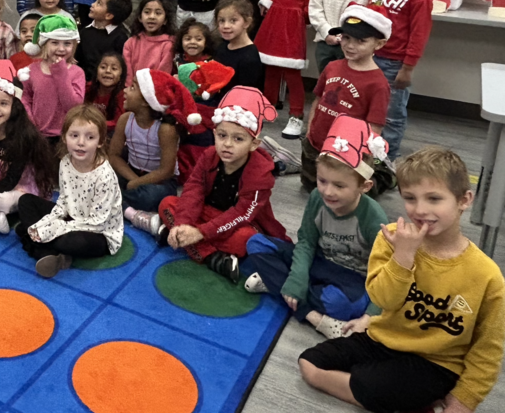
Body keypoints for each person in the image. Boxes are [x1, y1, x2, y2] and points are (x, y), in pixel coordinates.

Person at [299, 147, 505, 413]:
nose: (420, 210)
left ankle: (395, 392)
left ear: (464, 200)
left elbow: (488, 348)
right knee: (309, 361)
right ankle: (411, 399)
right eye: (410, 198)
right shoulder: (391, 238)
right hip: (383, 340)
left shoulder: (487, 275)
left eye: (434, 199)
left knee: (370, 383)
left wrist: (463, 400)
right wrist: (403, 256)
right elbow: (383, 300)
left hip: (436, 362)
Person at [245, 115, 389, 339]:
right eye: (322, 181)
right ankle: (312, 315)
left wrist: (371, 314)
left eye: (339, 185)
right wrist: (298, 278)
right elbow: (306, 242)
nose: (328, 192)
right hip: (319, 263)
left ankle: (277, 284)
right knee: (256, 243)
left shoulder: (373, 217)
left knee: (342, 305)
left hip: (352, 278)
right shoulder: (316, 198)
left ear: (365, 186)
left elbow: (386, 271)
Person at [157, 86, 289, 283]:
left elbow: (242, 214)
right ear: (215, 134)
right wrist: (182, 223)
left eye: (238, 139)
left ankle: (182, 239)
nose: (227, 144)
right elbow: (193, 190)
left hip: (236, 223)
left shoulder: (260, 174)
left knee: (244, 240)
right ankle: (212, 257)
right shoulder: (209, 155)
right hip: (206, 214)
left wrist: (200, 233)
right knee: (167, 203)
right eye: (222, 135)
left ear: (253, 144)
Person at [367, 0, 453, 162]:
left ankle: (387, 160)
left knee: (391, 115)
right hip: (369, 58)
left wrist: (407, 68)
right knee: (367, 109)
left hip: (394, 64)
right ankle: (366, 151)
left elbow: (419, 33)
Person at [291, 5, 392, 193]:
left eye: (361, 41)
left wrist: (359, 155)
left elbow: (374, 128)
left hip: (345, 151)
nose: (350, 45)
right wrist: (310, 132)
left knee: (346, 193)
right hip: (315, 144)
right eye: (346, 38)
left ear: (379, 44)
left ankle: (383, 175)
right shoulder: (332, 67)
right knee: (311, 186)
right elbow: (318, 100)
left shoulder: (378, 84)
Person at [16, 105, 124, 278]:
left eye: (90, 137)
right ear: (64, 137)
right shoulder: (65, 162)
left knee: (66, 241)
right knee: (25, 201)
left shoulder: (104, 176)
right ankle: (49, 253)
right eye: (74, 135)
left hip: (98, 233)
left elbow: (98, 222)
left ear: (100, 141)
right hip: (71, 217)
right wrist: (50, 221)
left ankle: (40, 248)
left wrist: (54, 228)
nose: (81, 142)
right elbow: (64, 201)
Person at [0, 60, 56, 234]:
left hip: (19, 180)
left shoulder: (23, 135)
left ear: (14, 106)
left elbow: (12, 179)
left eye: (3, 103)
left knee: (0, 202)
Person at [256, 0, 319, 140]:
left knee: (292, 75)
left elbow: (311, 7)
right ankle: (267, 107)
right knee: (270, 71)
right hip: (273, 29)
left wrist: (296, 18)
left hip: (290, 33)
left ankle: (296, 115)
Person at [113, 68, 201, 225]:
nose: (125, 90)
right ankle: (125, 207)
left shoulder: (165, 129)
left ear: (146, 101)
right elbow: (113, 156)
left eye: (132, 88)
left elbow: (166, 171)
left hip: (160, 181)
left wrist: (137, 183)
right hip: (132, 173)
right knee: (104, 175)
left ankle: (114, 203)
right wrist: (134, 180)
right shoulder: (125, 120)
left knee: (150, 196)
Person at [19, 15, 85, 144]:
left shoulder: (77, 73)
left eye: (67, 43)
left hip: (66, 137)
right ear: (44, 44)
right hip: (37, 134)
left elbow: (73, 106)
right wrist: (30, 122)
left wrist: (61, 73)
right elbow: (25, 98)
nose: (61, 48)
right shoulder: (32, 70)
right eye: (54, 43)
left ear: (73, 46)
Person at [212, 0, 263, 100]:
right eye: (221, 21)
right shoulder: (221, 47)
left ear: (246, 23)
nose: (226, 26)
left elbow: (246, 96)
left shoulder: (249, 57)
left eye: (233, 21)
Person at [75, 0, 132, 82]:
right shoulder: (85, 32)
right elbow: (79, 59)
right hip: (83, 81)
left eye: (99, 3)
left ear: (108, 15)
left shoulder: (120, 37)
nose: (92, 4)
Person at [123, 0, 177, 83]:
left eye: (158, 13)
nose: (152, 17)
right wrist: (132, 89)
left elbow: (162, 76)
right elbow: (128, 75)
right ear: (140, 17)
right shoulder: (131, 43)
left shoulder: (168, 45)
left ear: (165, 20)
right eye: (147, 12)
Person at [85, 52, 126, 134]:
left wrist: (94, 124)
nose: (108, 71)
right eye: (103, 67)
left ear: (121, 76)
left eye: (114, 69)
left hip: (108, 133)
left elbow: (119, 123)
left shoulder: (123, 95)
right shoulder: (87, 88)